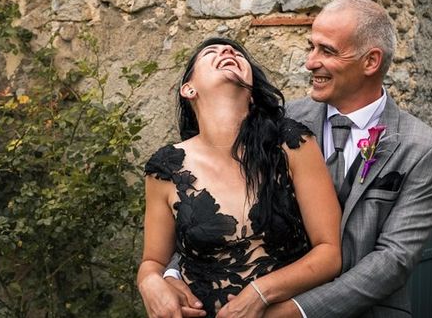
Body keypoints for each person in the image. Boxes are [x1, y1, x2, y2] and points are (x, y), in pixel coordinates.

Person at [145, 0, 432, 318]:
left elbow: (394, 260)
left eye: (327, 51)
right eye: (311, 47)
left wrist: (292, 311)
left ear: (371, 62)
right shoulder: (279, 123)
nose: (310, 62)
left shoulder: (423, 149)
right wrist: (167, 274)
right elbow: (218, 205)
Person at [137, 38, 342, 318]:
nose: (227, 51)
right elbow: (153, 261)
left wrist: (259, 293)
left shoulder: (292, 143)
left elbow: (329, 253)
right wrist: (149, 282)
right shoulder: (165, 168)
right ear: (189, 89)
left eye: (236, 52)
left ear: (252, 94)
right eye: (211, 52)